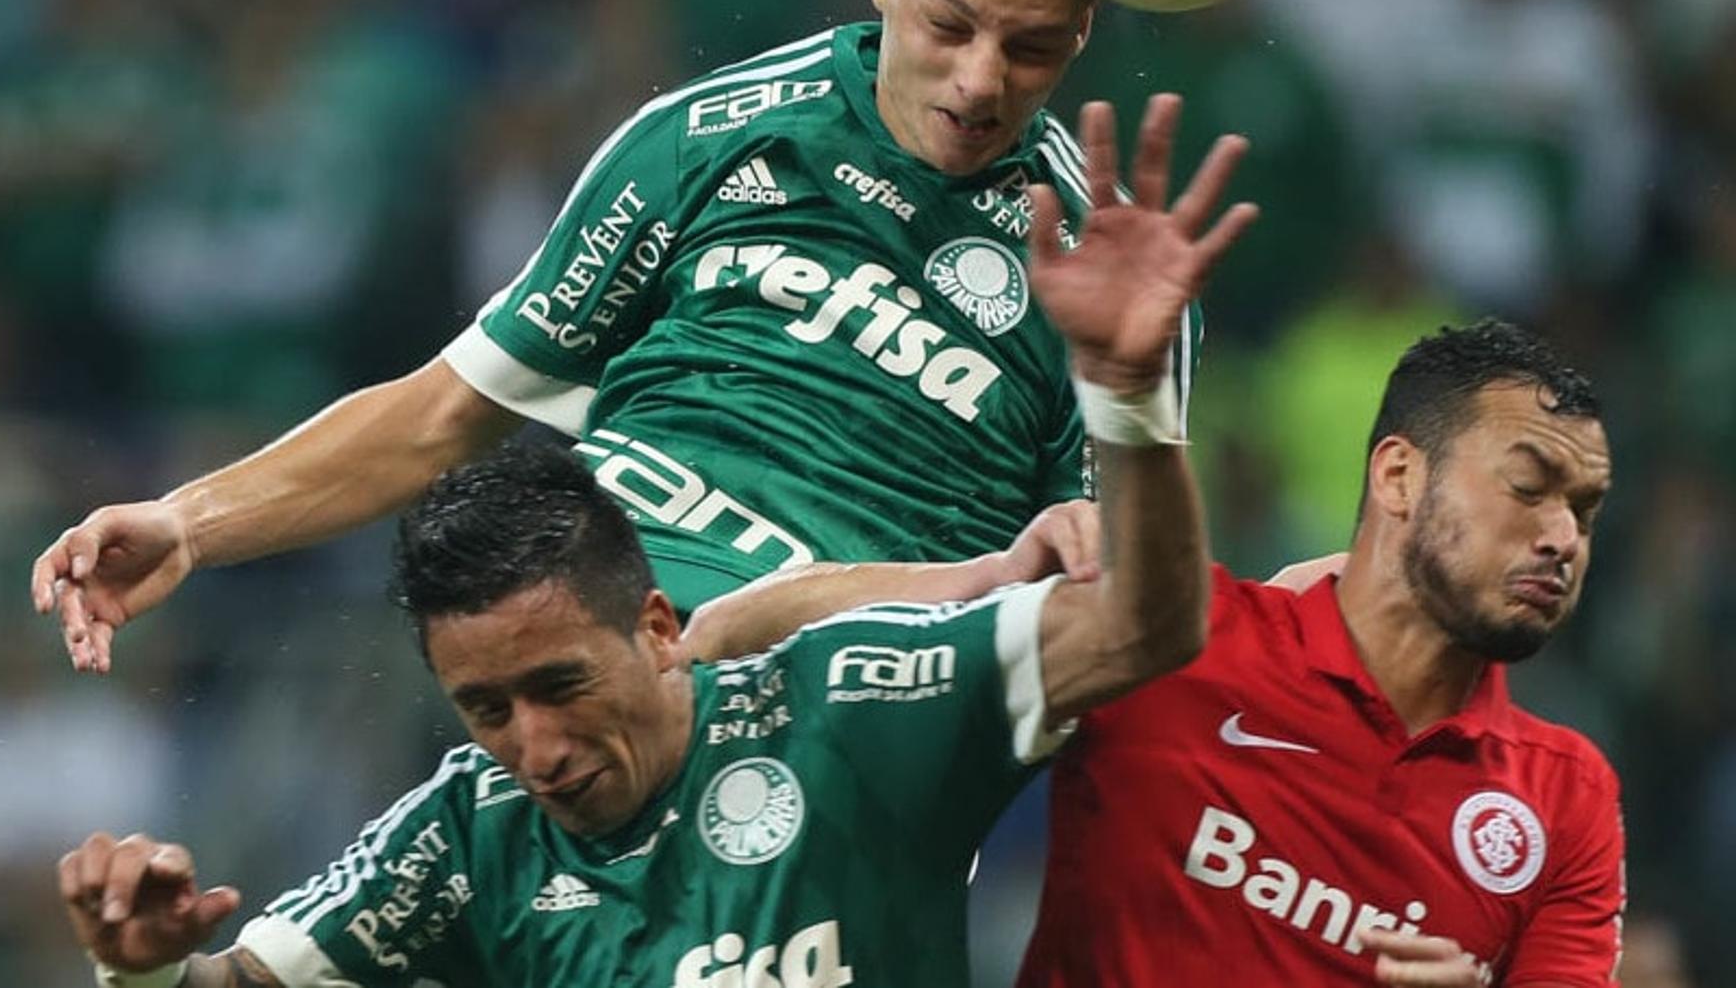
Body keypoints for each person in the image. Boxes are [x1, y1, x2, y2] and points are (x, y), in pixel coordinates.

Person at [54, 113, 1257, 987]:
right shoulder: (470, 831)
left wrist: (1126, 395)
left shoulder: (857, 710)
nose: (535, 749)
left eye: (558, 688)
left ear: (658, 627)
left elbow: (1145, 624)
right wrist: (144, 971)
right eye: (485, 708)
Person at [31, 0, 1203, 669]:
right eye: (950, 24)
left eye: (1032, 47)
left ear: (1083, 42)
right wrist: (189, 522)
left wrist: (1126, 404)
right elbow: (445, 411)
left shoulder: (1102, 268)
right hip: (596, 678)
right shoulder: (706, 139)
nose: (981, 80)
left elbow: (1110, 619)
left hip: (864, 724)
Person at [687, 319, 1626, 987]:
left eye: (1583, 510)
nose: (1563, 537)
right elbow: (759, 635)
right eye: (1528, 487)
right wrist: (983, 578)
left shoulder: (1564, 798)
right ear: (1397, 475)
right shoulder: (1177, 640)